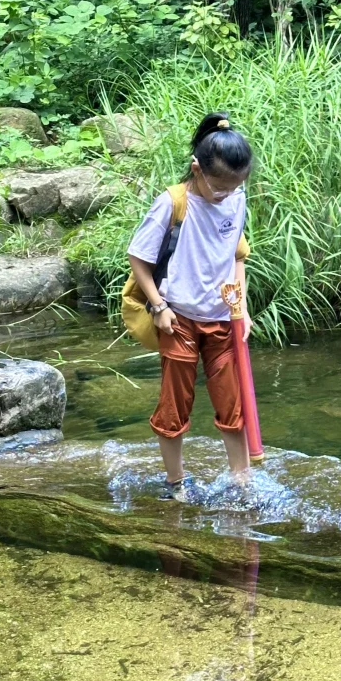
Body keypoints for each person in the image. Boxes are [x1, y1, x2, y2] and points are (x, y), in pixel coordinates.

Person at [127, 113, 254, 499]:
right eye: (219, 187)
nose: (226, 195)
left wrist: (242, 308)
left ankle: (241, 480)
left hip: (223, 319)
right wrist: (158, 306)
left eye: (235, 187)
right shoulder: (173, 203)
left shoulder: (235, 198)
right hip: (178, 318)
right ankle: (176, 481)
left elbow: (237, 255)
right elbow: (138, 259)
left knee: (233, 402)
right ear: (197, 169)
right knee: (174, 404)